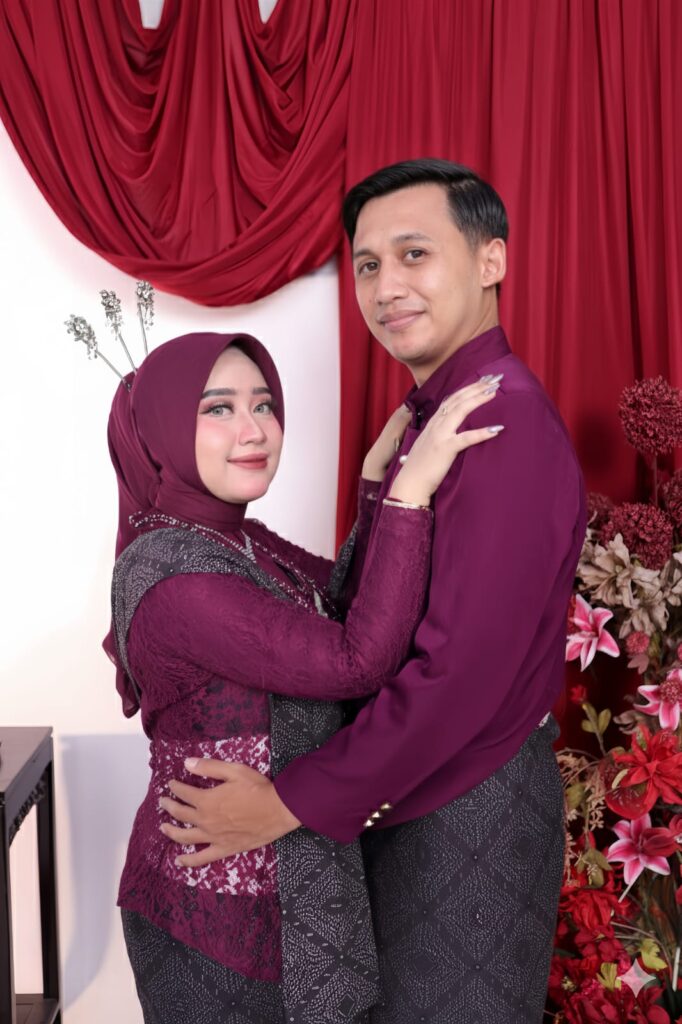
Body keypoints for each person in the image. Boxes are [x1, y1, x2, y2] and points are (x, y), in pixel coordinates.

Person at [163, 161, 587, 1023]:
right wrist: (375, 492)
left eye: (414, 254)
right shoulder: (436, 418)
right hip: (420, 798)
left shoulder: (499, 423)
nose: (385, 287)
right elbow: (374, 616)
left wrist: (285, 803)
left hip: (467, 812)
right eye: (366, 264)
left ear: (492, 261)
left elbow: (456, 676)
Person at [107, 329, 502, 1024]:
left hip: (293, 894)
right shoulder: (175, 576)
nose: (254, 430)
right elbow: (357, 660)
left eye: (264, 404)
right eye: (218, 408)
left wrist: (377, 487)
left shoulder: (233, 538)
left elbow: (342, 603)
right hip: (214, 920)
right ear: (161, 429)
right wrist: (412, 492)